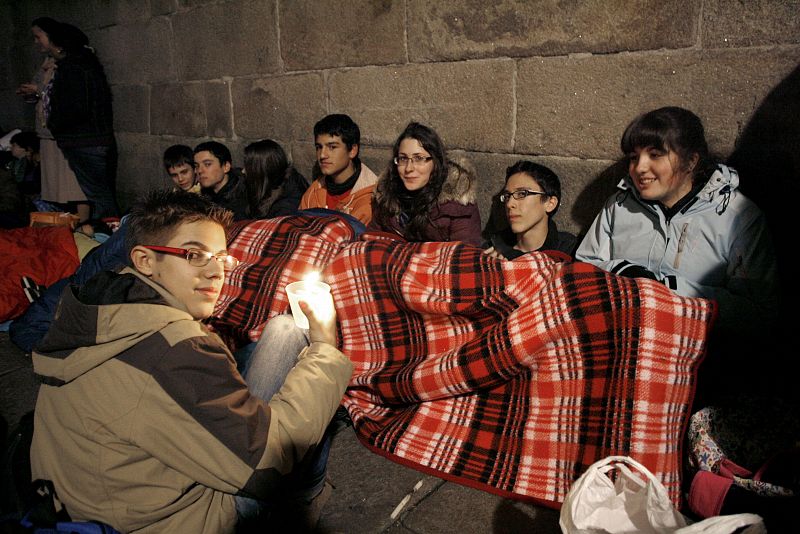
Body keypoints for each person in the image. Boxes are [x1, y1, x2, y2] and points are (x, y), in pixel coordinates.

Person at [30, 190, 353, 532]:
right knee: (313, 423)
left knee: (284, 330)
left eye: (221, 258)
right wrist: (324, 343)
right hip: (163, 522)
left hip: (86, 498)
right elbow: (268, 466)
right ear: (145, 260)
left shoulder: (100, 306)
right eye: (194, 255)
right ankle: (299, 508)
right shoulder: (172, 351)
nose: (216, 273)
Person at [575, 106, 777, 340]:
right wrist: (624, 272)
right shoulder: (618, 206)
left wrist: (670, 291)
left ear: (690, 161)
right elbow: (583, 268)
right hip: (619, 342)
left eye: (655, 154)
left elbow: (760, 313)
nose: (639, 168)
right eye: (633, 157)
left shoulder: (737, 217)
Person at [16, 17, 89, 223]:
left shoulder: (69, 61)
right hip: (48, 133)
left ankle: (81, 224)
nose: (36, 42)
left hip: (64, 133)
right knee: (57, 187)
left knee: (73, 184)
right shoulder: (46, 62)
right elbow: (41, 89)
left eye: (38, 37)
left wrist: (39, 91)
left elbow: (62, 92)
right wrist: (31, 92)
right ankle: (62, 221)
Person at [46, 22, 118, 220]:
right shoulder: (85, 65)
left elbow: (77, 107)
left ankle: (112, 233)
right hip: (91, 139)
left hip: (84, 140)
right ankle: (110, 230)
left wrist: (56, 126)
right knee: (100, 192)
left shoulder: (74, 68)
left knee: (98, 194)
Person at [368, 122, 482, 246]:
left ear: (435, 162)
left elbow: (465, 255)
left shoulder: (457, 204)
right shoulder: (387, 197)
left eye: (419, 158)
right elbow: (371, 242)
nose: (409, 168)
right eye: (403, 159)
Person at [484, 160, 577, 260]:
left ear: (550, 203)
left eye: (522, 194)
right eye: (507, 196)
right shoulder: (492, 251)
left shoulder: (570, 251)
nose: (510, 204)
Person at [299, 114, 378, 225]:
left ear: (352, 150)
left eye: (332, 147)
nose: (322, 155)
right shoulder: (314, 192)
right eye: (319, 147)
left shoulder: (372, 198)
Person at [244, 139, 309, 219]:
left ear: (261, 172)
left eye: (248, 168)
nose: (243, 171)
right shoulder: (265, 188)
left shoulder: (287, 206)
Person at [194, 140, 249, 221]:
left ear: (226, 167)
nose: (199, 170)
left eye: (207, 164)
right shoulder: (203, 196)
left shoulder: (242, 199)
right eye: (197, 166)